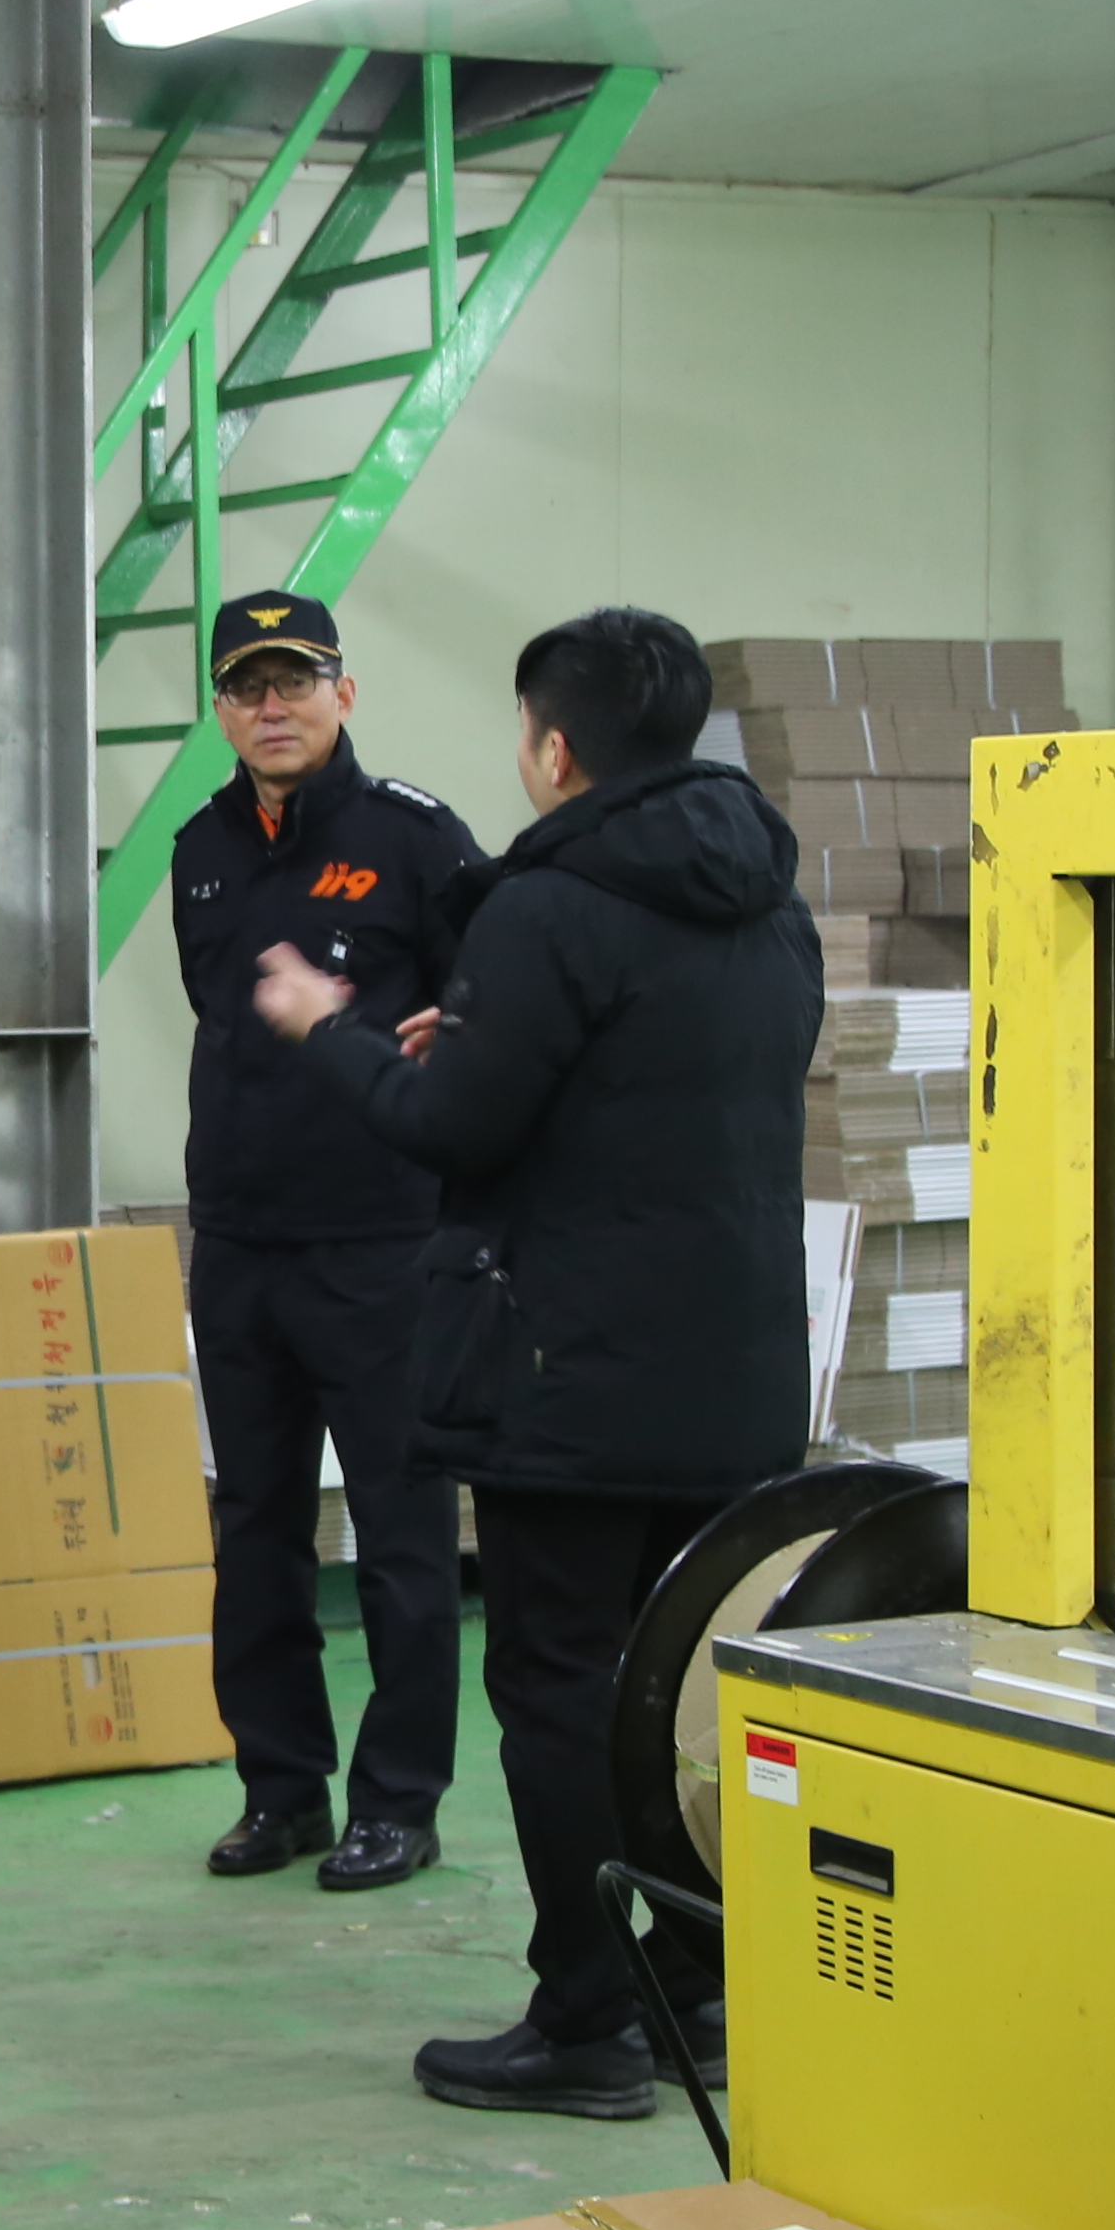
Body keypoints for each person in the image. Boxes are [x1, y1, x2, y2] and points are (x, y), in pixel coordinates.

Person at [255, 605, 818, 2122]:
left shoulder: (547, 907)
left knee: (562, 1693)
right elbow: (662, 1096)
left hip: (571, 1373)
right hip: (735, 1370)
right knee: (680, 1691)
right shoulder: (769, 902)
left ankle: (585, 2019)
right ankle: (696, 1988)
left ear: (555, 747)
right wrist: (484, 1041)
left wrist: (331, 1031)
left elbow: (453, 1132)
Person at [163, 587, 488, 1893]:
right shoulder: (199, 849)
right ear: (220, 710)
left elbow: (493, 1001)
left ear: (343, 693)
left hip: (382, 1245)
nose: (272, 707)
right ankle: (280, 1790)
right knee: (256, 1532)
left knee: (403, 1537)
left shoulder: (416, 839)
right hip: (242, 1245)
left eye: (295, 681)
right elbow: (218, 1013)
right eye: (247, 686)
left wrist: (449, 1041)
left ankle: (399, 1803)